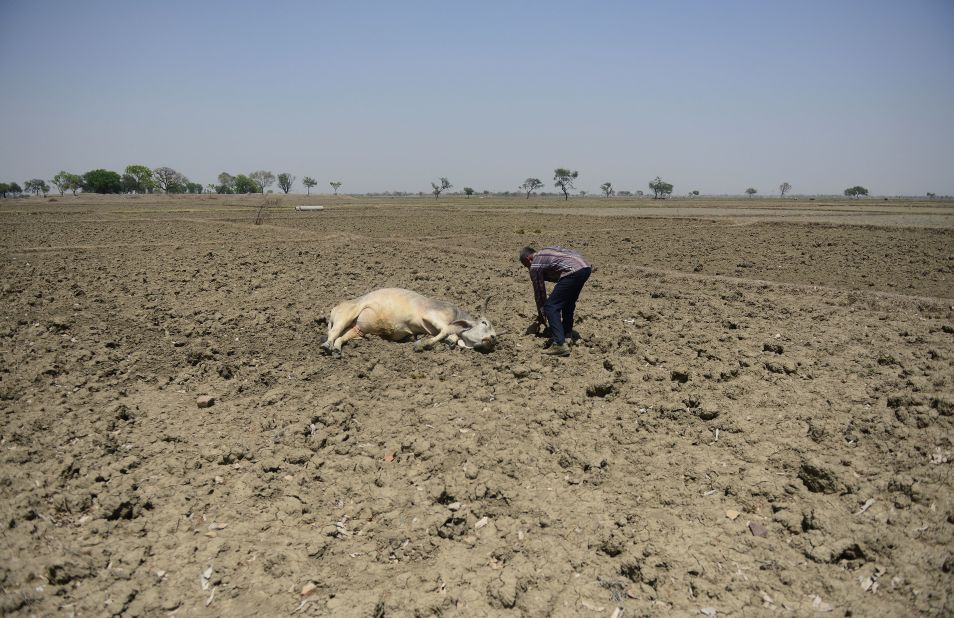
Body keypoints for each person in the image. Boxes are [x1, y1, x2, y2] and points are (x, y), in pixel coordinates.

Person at [519, 245, 592, 356]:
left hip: (572, 270)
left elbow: (540, 292)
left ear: (529, 259)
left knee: (551, 306)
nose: (528, 269)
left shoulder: (535, 264)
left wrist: (542, 315)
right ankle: (567, 336)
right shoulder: (546, 252)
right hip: (585, 268)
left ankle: (559, 344)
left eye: (526, 266)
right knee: (568, 303)